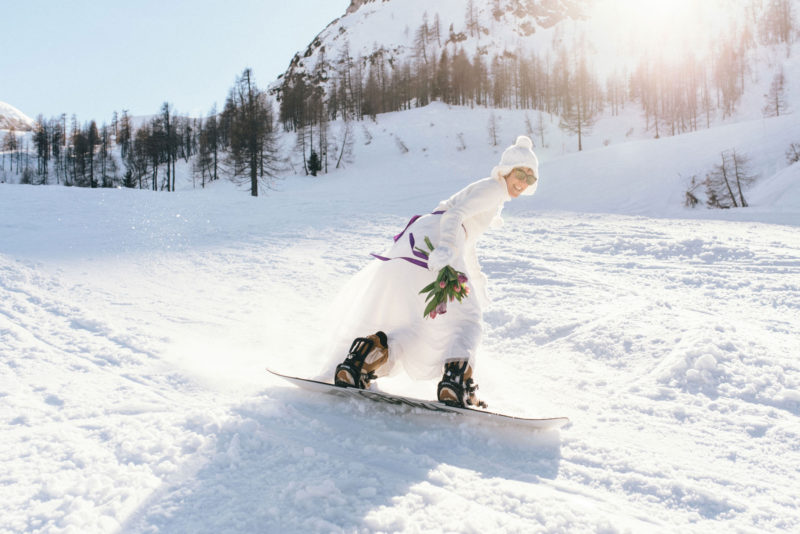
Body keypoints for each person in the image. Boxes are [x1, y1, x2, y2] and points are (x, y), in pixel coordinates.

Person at [328, 135, 540, 408]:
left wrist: (477, 282)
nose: (523, 182)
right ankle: (456, 382)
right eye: (520, 172)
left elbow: (468, 245)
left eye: (530, 178)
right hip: (436, 240)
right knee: (469, 320)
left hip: (419, 239)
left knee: (414, 321)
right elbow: (455, 217)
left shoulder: (491, 193)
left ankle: (361, 362)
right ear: (506, 170)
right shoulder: (494, 189)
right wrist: (447, 249)